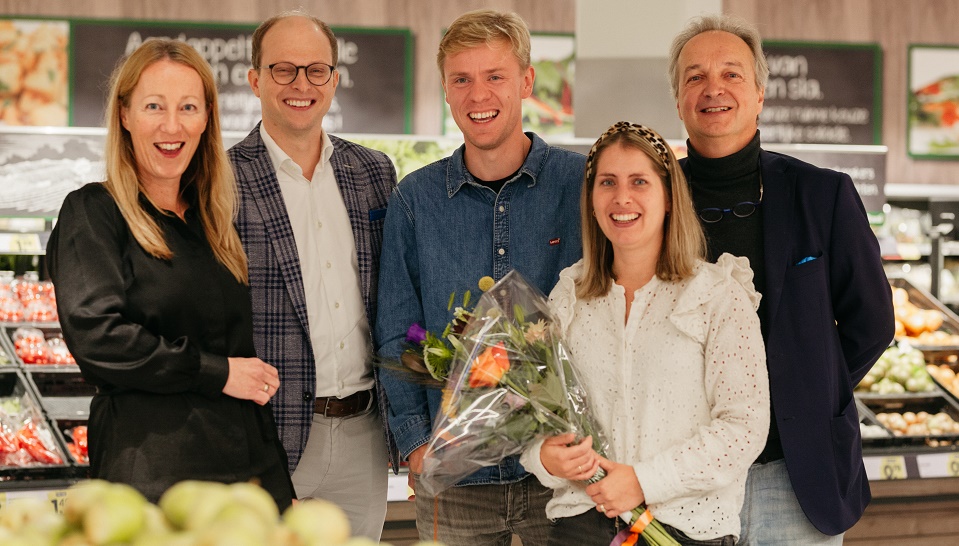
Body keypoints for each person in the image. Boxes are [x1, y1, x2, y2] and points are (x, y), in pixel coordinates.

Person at [667, 14, 896, 544]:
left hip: (795, 477)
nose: (713, 88)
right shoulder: (654, 198)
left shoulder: (823, 195)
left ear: (760, 94)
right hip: (684, 474)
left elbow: (873, 321)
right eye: (695, 77)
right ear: (678, 99)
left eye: (731, 74)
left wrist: (808, 390)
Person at [46, 38, 293, 508]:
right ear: (124, 115)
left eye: (188, 107)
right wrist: (214, 373)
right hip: (151, 479)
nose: (172, 125)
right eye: (154, 106)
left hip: (249, 479)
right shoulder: (94, 212)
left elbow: (242, 362)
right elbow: (99, 338)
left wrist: (280, 488)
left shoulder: (213, 222)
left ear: (206, 119)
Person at [375, 9, 586, 546]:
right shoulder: (414, 200)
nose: (478, 95)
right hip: (456, 479)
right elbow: (398, 329)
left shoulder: (582, 185)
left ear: (527, 81)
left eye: (494, 76)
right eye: (461, 79)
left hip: (562, 473)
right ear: (445, 88)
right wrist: (417, 443)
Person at [519, 121, 769, 546]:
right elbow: (536, 414)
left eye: (640, 181)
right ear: (592, 200)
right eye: (607, 183)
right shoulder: (569, 295)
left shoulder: (717, 295)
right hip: (579, 528)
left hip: (689, 531)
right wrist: (543, 456)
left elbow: (744, 428)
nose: (622, 198)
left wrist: (643, 481)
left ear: (669, 196)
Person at [227, 10, 397, 540]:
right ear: (255, 80)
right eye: (283, 69)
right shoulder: (219, 177)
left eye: (316, 70)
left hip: (364, 433)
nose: (301, 84)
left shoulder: (373, 172)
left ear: (334, 80)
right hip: (267, 434)